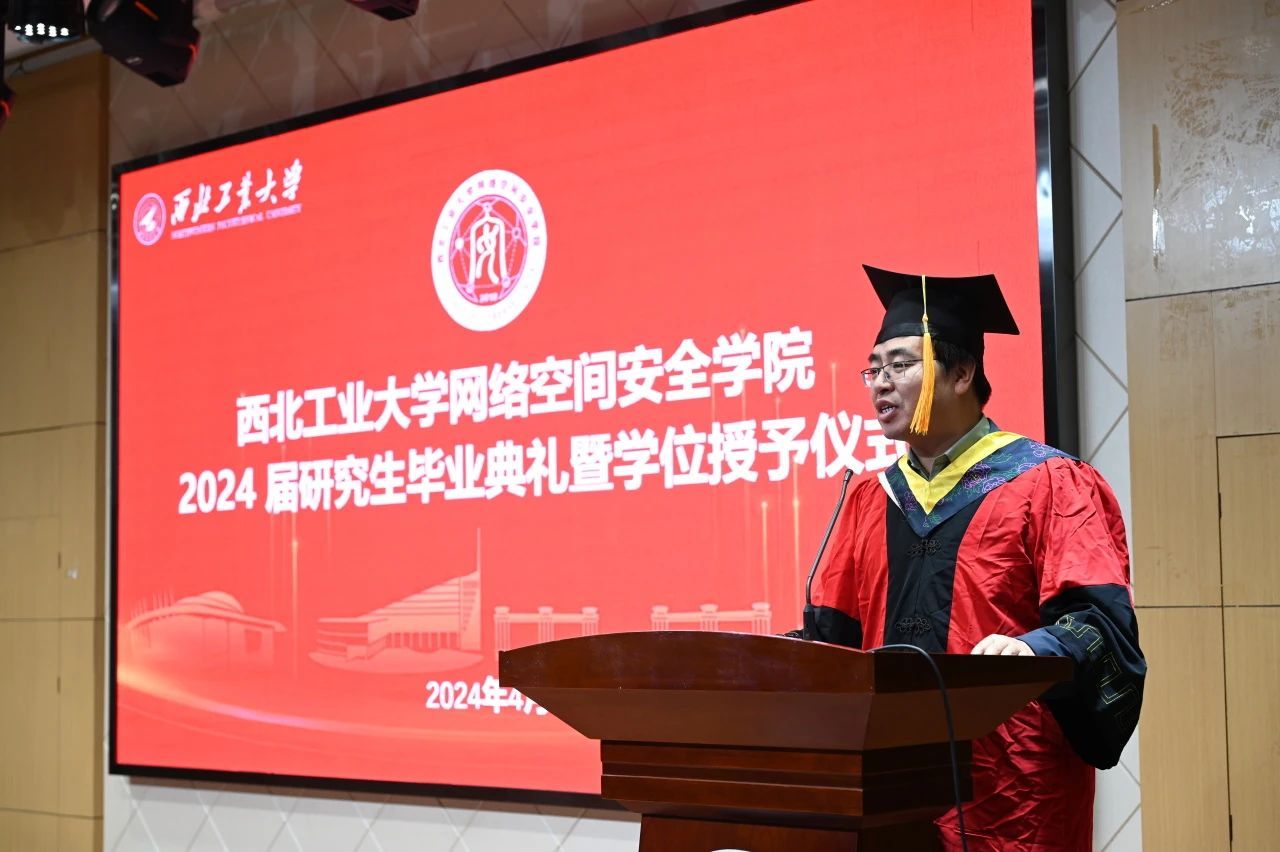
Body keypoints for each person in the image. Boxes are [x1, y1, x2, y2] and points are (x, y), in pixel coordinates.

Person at [793, 264, 1145, 851]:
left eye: (900, 365)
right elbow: (833, 641)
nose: (880, 383)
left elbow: (1101, 623)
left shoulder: (1049, 483)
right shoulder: (869, 498)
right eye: (874, 368)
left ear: (962, 373)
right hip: (891, 785)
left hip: (1011, 786)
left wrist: (1034, 648)